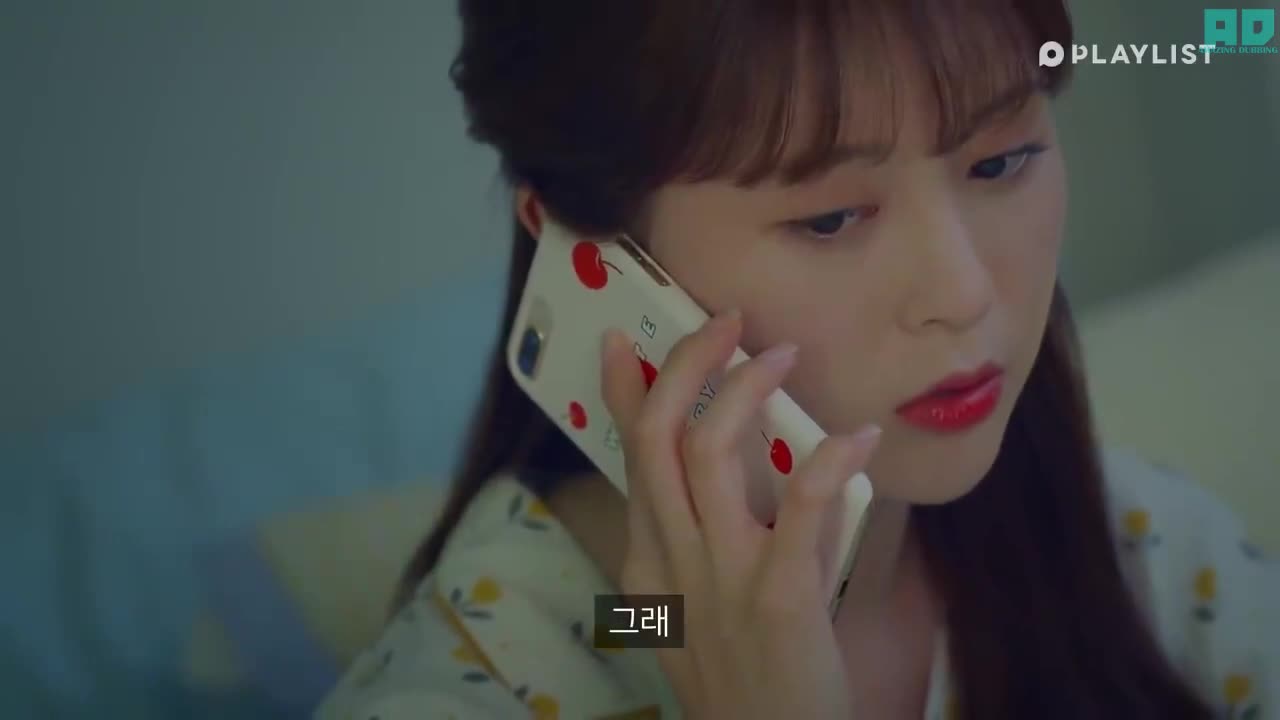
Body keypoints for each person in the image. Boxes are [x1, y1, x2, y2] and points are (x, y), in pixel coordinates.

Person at [316, 1, 1277, 718]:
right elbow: (626, 623)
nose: (963, 293)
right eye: (830, 219)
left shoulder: (1141, 551)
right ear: (584, 252)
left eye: (999, 164)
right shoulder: (509, 667)